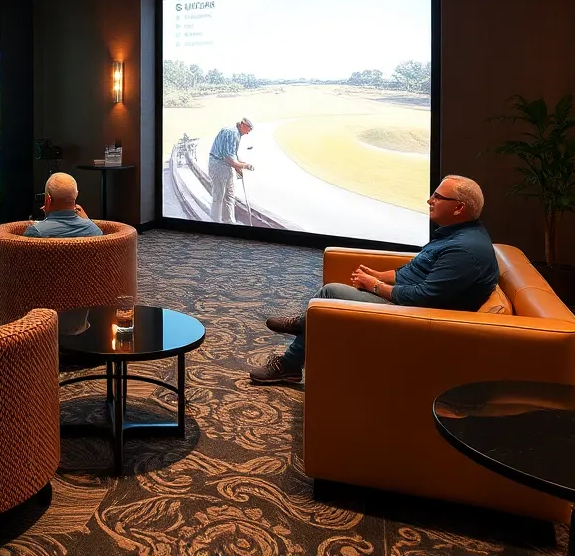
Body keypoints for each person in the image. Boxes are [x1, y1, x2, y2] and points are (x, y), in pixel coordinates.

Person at [249, 175, 500, 384]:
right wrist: (379, 276)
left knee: (330, 293)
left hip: (417, 318)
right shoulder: (456, 234)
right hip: (409, 302)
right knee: (327, 301)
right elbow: (416, 270)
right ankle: (305, 322)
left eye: (438, 197)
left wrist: (376, 286)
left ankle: (290, 362)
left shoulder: (464, 251)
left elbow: (425, 297)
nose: (430, 200)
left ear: (459, 208)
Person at [25, 172, 103, 238]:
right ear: (76, 195)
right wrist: (88, 221)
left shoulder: (35, 232)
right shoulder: (94, 230)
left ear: (48, 200)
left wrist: (46, 219)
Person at [208, 117, 254, 223]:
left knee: (229, 195)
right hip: (218, 165)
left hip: (224, 166)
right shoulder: (233, 133)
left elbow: (232, 155)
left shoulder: (235, 133)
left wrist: (239, 165)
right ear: (243, 125)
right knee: (219, 196)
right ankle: (216, 222)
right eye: (249, 130)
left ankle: (228, 221)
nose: (248, 133)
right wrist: (244, 166)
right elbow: (228, 158)